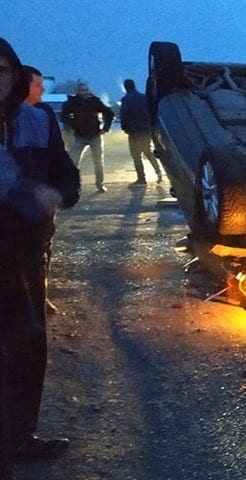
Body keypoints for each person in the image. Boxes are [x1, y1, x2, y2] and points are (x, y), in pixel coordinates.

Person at [0, 37, 80, 479]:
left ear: (13, 75)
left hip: (26, 256)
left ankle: (19, 437)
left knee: (28, 348)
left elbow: (63, 172)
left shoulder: (37, 120)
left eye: (1, 69)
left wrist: (62, 193)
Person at [23, 65, 65, 316]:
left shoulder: (44, 112)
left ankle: (40, 296)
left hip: (41, 196)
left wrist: (62, 185)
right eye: (37, 85)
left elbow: (55, 152)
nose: (42, 90)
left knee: (40, 249)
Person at [61, 81, 113, 192]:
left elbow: (109, 113)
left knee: (98, 161)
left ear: (88, 90)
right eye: (81, 90)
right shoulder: (72, 102)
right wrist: (72, 126)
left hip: (94, 135)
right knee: (73, 161)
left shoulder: (95, 101)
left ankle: (100, 183)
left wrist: (105, 128)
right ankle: (74, 185)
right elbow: (64, 116)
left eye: (85, 90)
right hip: (79, 135)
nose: (84, 92)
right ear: (77, 91)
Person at [119, 79, 163, 186]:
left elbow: (123, 115)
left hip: (133, 131)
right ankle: (158, 172)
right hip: (146, 129)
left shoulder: (125, 99)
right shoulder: (144, 97)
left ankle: (141, 178)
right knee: (148, 152)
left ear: (125, 87)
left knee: (136, 156)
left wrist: (125, 128)